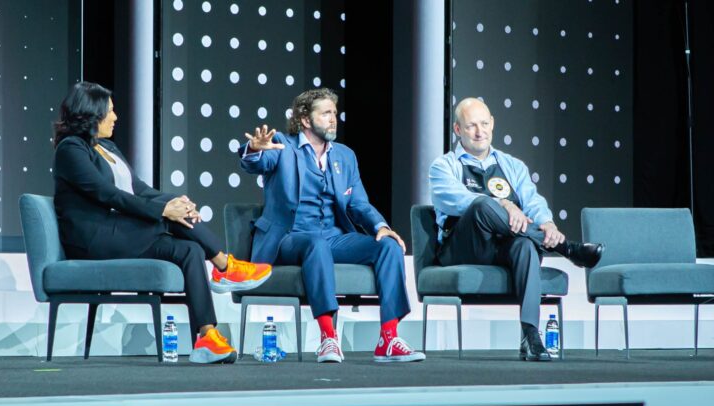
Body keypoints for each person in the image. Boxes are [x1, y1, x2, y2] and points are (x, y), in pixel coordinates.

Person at [53, 82, 272, 364]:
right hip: (93, 238)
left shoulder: (106, 146)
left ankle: (207, 336)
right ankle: (224, 266)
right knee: (172, 219)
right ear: (91, 114)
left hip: (120, 232)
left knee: (189, 250)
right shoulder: (71, 150)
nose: (116, 117)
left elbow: (139, 189)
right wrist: (165, 211)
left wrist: (175, 201)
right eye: (110, 111)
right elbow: (108, 194)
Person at [239, 88, 425, 363]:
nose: (333, 119)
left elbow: (358, 204)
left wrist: (380, 226)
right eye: (325, 113)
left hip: (333, 236)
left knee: (388, 246)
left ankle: (388, 337)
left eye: (334, 114)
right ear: (305, 119)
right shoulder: (282, 145)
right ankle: (328, 338)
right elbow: (256, 162)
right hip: (291, 237)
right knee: (316, 245)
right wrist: (254, 149)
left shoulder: (345, 156)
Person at [429, 97, 604, 361]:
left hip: (502, 245)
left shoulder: (512, 165)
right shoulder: (444, 166)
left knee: (524, 246)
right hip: (464, 247)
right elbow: (457, 201)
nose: (480, 131)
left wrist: (547, 222)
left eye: (485, 123)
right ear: (457, 130)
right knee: (480, 205)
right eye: (471, 126)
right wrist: (503, 204)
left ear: (493, 124)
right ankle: (566, 248)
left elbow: (532, 201)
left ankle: (531, 334)